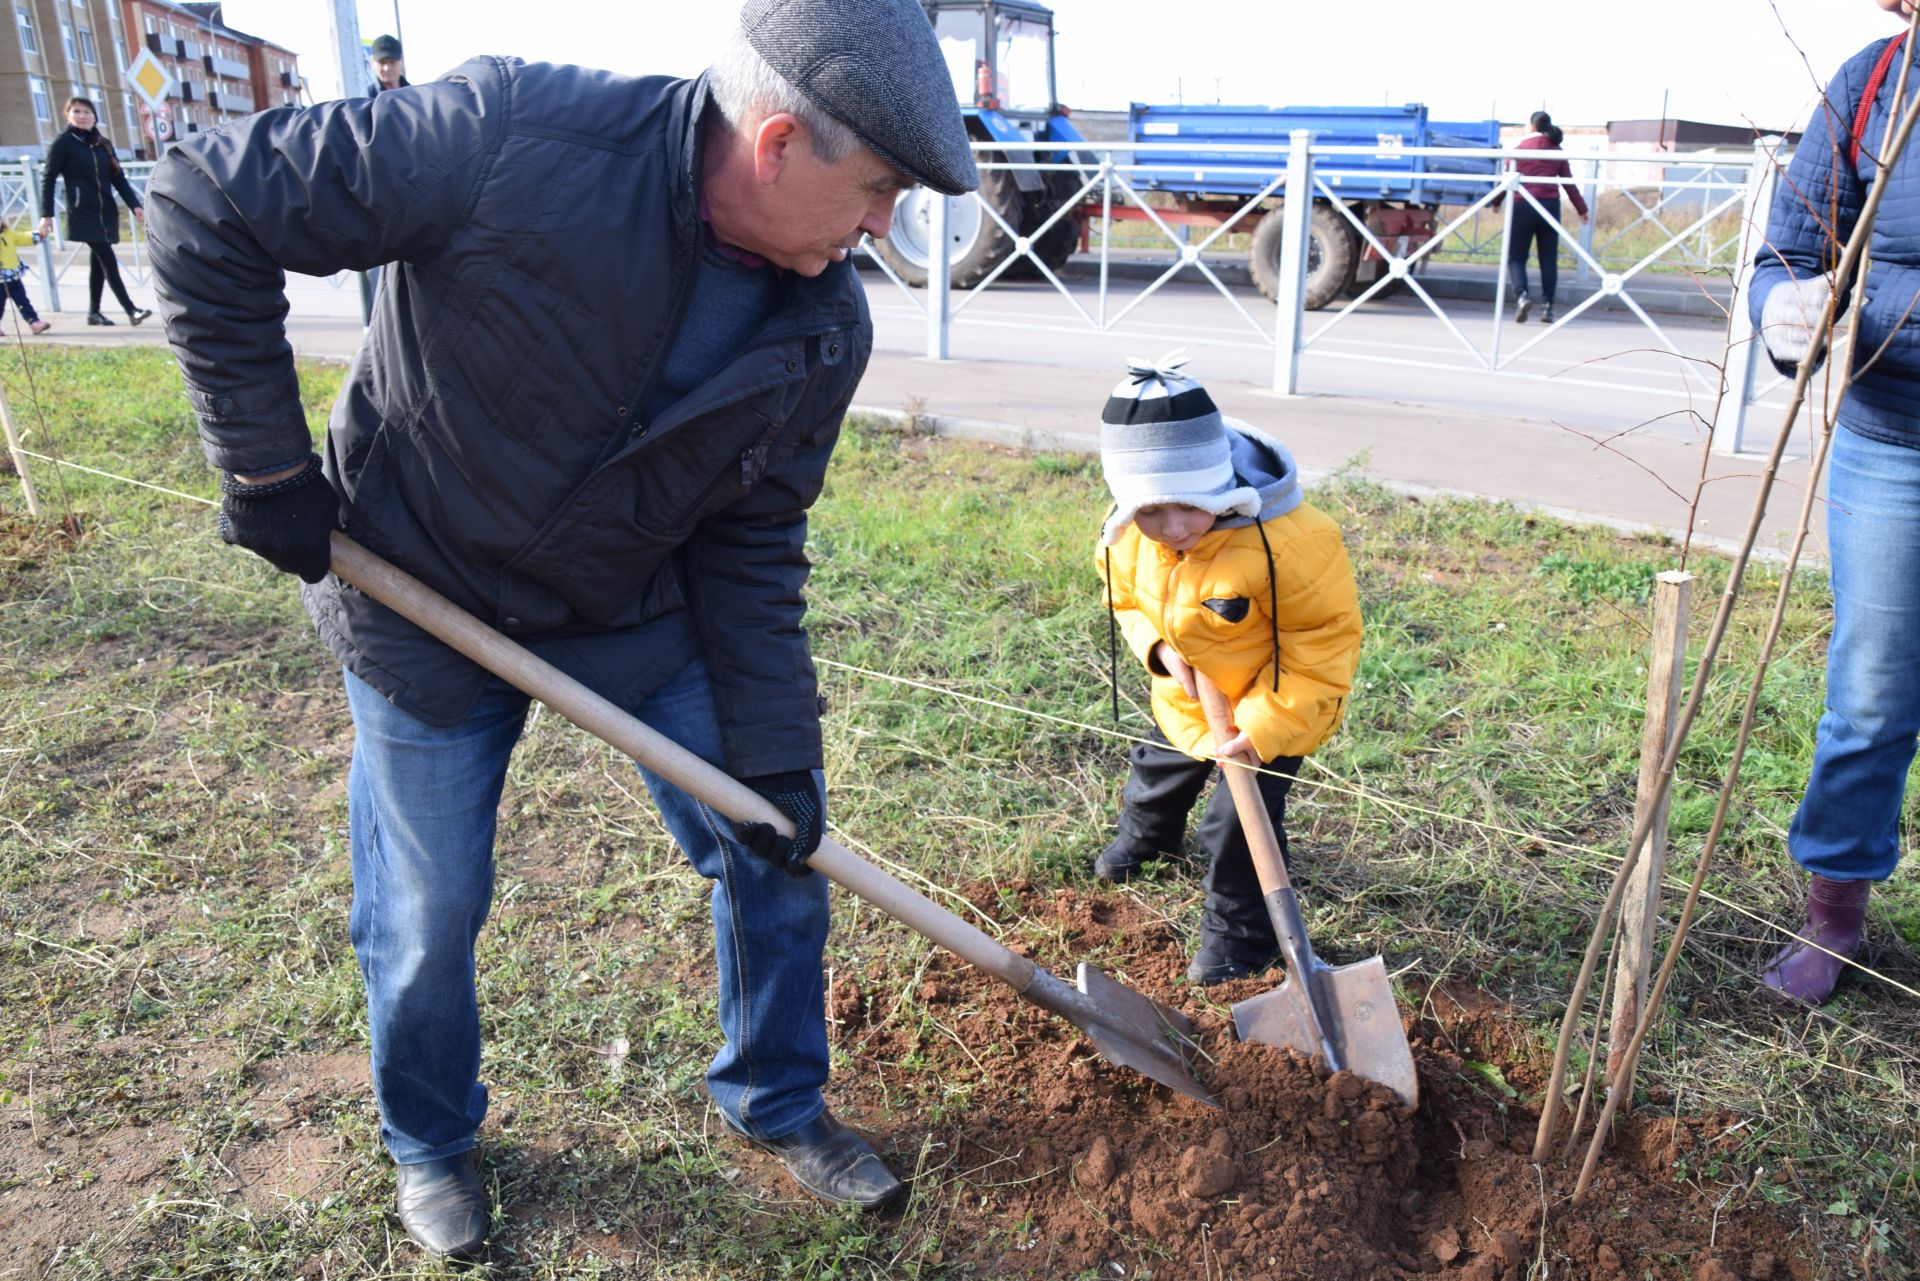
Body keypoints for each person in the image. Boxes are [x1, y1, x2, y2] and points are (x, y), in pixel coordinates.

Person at [145, 0, 976, 1258]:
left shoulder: (821, 326)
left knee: (772, 848)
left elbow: (752, 544)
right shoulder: (511, 135)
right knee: (428, 911)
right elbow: (210, 200)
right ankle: (430, 1140)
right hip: (415, 586)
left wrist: (776, 748)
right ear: (775, 144)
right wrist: (265, 471)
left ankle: (775, 1098)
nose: (883, 228)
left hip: (627, 609)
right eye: (875, 191)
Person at [1090, 356, 1363, 984]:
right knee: (1160, 768)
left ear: (1220, 483)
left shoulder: (1295, 542)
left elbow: (1323, 647)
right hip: (1192, 697)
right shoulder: (1131, 529)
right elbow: (1123, 595)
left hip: (1275, 710)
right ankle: (1148, 838)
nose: (1171, 527)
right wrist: (1157, 649)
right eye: (1151, 511)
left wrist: (1261, 730)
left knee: (1239, 824)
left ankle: (1241, 935)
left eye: (1187, 506)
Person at [1749, 0, 1919, 1006]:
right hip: (1894, 442)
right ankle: (1834, 918)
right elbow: (1790, 247)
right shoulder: (1872, 85)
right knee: (1871, 695)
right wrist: (1789, 304)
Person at [36, 97, 151, 327]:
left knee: (98, 263)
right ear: (68, 115)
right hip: (83, 212)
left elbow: (118, 177)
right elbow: (48, 179)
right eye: (76, 111)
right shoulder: (64, 143)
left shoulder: (103, 144)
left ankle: (93, 313)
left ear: (95, 116)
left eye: (87, 111)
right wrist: (46, 214)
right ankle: (131, 310)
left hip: (106, 211)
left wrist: (135, 205)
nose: (82, 115)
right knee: (107, 259)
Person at [1500, 110, 1588, 325]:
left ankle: (1522, 297)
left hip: (1523, 205)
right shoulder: (1557, 151)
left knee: (1516, 257)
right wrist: (1582, 209)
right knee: (1548, 259)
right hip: (1550, 206)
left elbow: (1507, 180)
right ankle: (1547, 307)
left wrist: (1494, 202)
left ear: (1531, 126)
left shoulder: (1519, 150)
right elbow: (1569, 184)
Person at [0, 223, 51, 334]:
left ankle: (34, 322)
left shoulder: (8, 233)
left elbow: (22, 238)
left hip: (14, 277)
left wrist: (38, 235)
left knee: (23, 301)